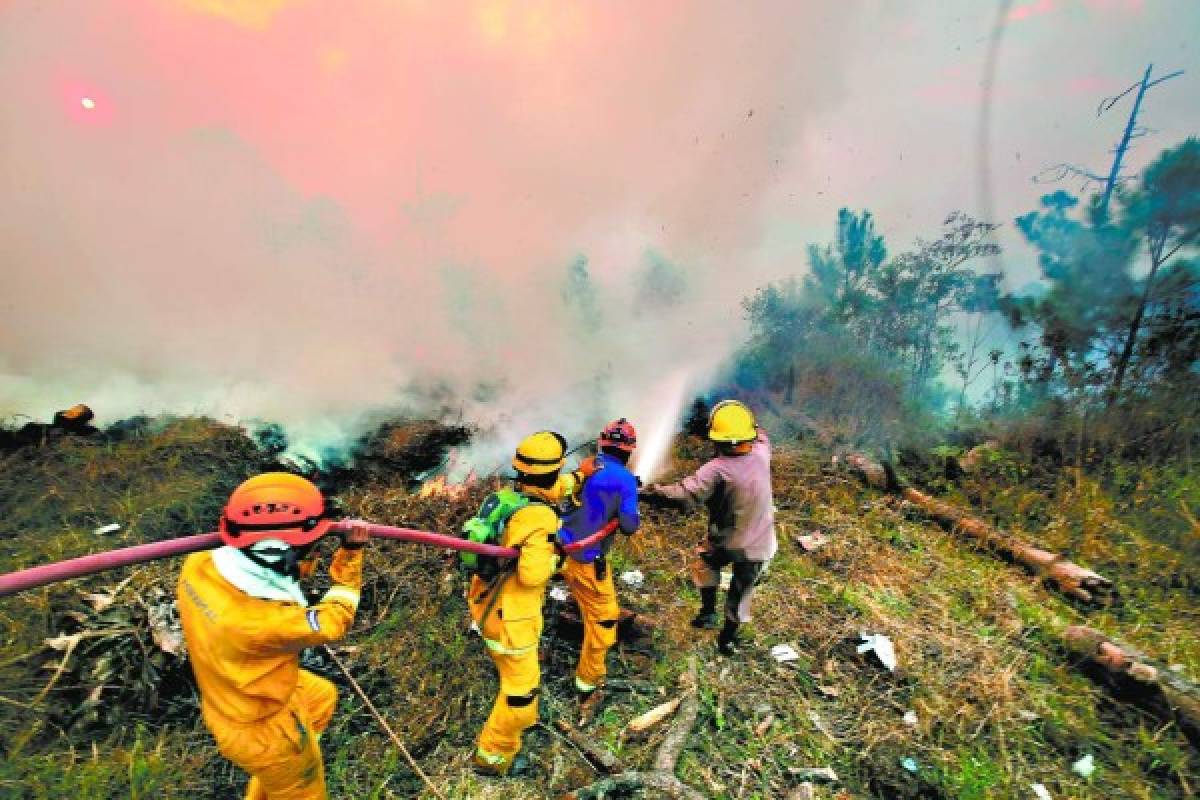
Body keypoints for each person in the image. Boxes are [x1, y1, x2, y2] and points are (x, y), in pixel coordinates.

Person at [177, 473, 368, 800]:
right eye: (309, 550)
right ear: (279, 555)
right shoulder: (267, 622)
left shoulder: (198, 564)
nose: (312, 556)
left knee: (321, 696)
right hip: (266, 733)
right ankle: (291, 773)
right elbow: (334, 620)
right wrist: (350, 557)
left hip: (230, 692)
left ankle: (278, 783)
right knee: (301, 787)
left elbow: (281, 569)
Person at [643, 400, 776, 655]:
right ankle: (726, 640)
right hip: (761, 545)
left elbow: (683, 495)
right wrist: (741, 418)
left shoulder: (716, 469)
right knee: (741, 592)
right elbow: (758, 433)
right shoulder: (761, 451)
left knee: (705, 560)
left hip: (726, 541)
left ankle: (707, 614)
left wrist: (647, 493)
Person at [468, 431, 564, 776]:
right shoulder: (539, 518)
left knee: (515, 676)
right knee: (520, 693)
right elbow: (533, 575)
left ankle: (510, 732)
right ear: (554, 471)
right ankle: (494, 758)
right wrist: (560, 560)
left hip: (485, 605)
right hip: (512, 619)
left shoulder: (500, 500)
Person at [558, 418, 641, 706]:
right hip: (585, 560)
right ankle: (588, 683)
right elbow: (629, 525)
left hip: (558, 552)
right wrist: (628, 497)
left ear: (601, 443)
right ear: (630, 450)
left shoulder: (584, 468)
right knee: (605, 620)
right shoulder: (625, 480)